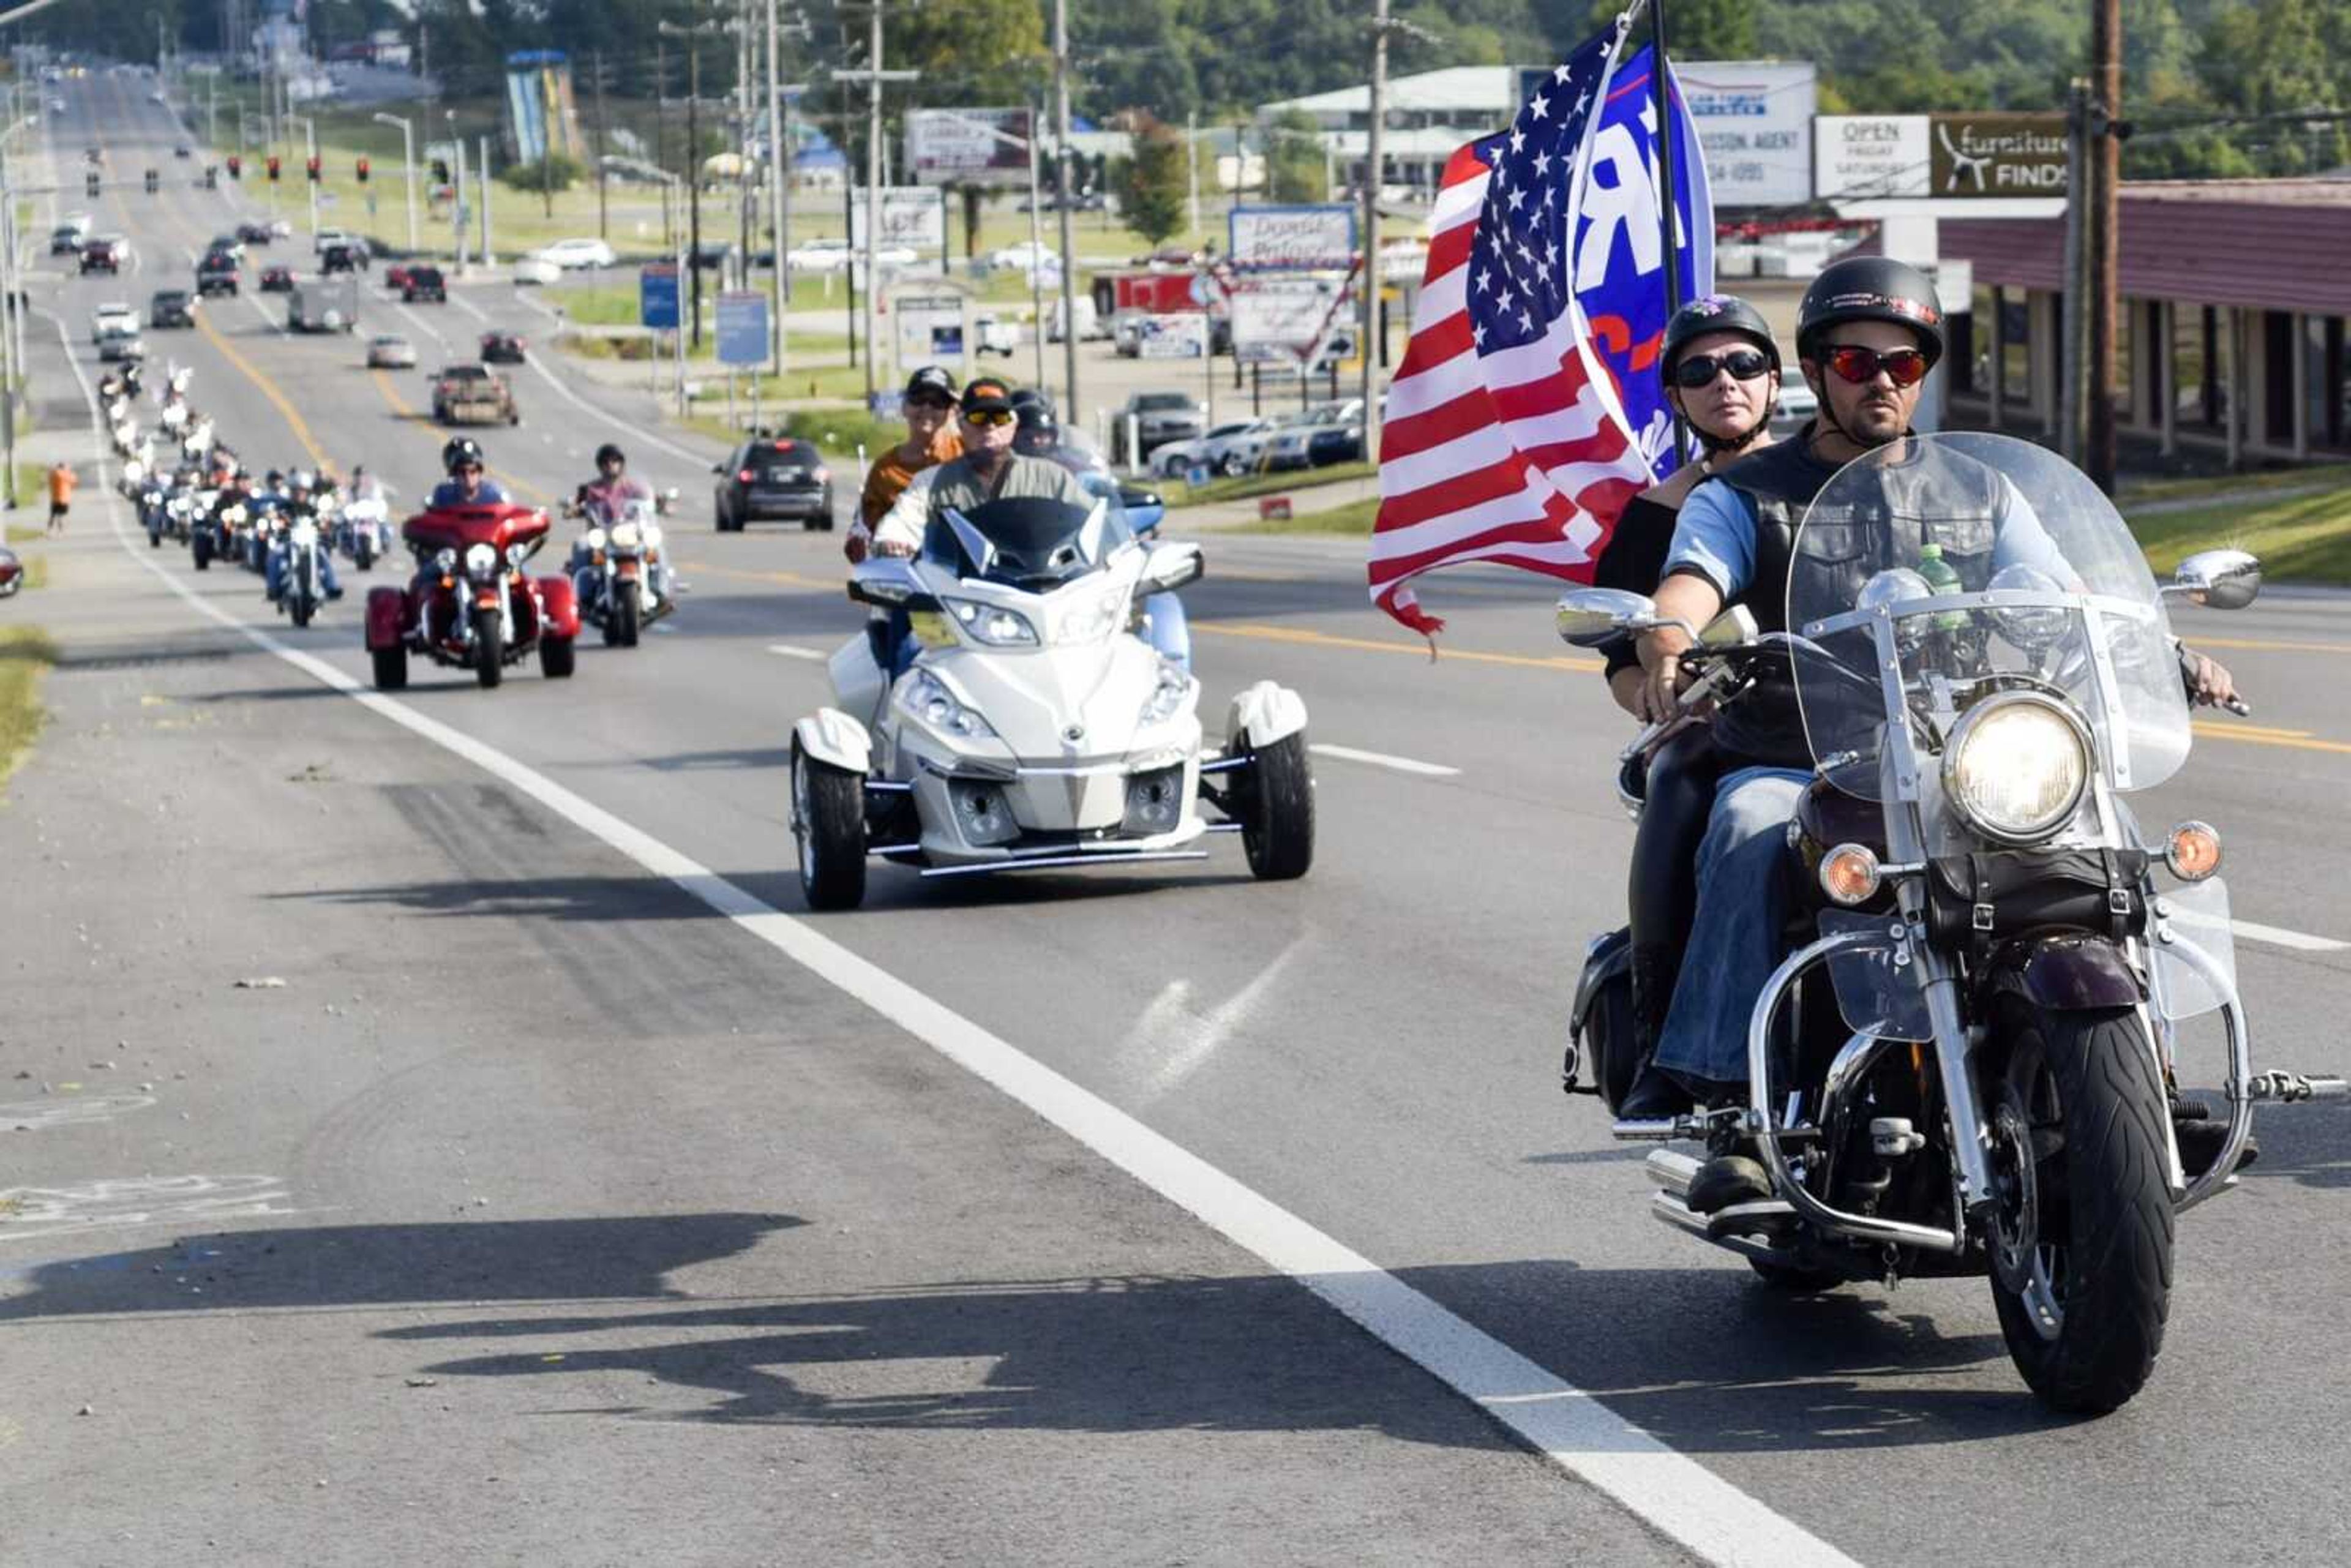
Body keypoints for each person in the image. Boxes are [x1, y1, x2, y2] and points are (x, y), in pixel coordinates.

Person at [1621, 257, 2243, 1207]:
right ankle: (1734, 1112)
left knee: (2102, 835)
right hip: (1803, 753)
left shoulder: (1981, 488)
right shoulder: (1747, 496)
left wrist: (2159, 644)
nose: (1879, 381)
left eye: (1902, 365)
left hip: (1964, 753)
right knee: (1747, 828)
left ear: (1924, 372)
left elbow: (2058, 587)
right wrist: (1672, 628)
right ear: (1817, 369)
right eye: (1855, 360)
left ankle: (2143, 1080)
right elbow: (1694, 576)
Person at [1592, 295, 1782, 1120]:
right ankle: (1665, 1037)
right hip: (1728, 723)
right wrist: (1663, 698)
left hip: (1854, 704)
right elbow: (1622, 658)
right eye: (1698, 372)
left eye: (1744, 365)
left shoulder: (1832, 478)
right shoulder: (1660, 513)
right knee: (1680, 776)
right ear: (1675, 396)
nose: (1724, 384)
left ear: (1777, 380)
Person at [863, 377, 1093, 676]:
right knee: (910, 654)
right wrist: (893, 541)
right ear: (962, 426)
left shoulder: (1052, 478)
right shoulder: (932, 482)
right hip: (957, 613)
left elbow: (1095, 524)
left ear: (1013, 426)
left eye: (999, 417)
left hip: (1044, 604)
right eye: (979, 417)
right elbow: (902, 521)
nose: (989, 427)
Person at [847, 366, 962, 564]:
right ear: (904, 407)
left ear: (952, 411)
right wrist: (859, 541)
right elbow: (863, 530)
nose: (927, 408)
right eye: (919, 399)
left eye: (938, 402)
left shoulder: (967, 454)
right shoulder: (886, 469)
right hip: (907, 573)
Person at [568, 441, 673, 612]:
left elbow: (651, 500)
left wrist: (662, 505)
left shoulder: (635, 487)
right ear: (600, 466)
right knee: (581, 545)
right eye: (606, 462)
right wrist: (574, 509)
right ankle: (584, 595)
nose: (611, 465)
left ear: (622, 464)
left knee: (657, 548)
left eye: (615, 461)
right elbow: (577, 504)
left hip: (632, 534)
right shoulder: (591, 489)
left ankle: (660, 590)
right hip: (603, 535)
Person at [264, 469, 342, 609]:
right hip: (289, 542)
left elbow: (324, 519)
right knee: (274, 555)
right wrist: (274, 519)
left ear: (308, 492)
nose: (299, 493)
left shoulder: (313, 507)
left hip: (310, 542)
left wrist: (326, 523)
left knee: (323, 554)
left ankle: (331, 586)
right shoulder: (283, 506)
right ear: (291, 492)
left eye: (302, 491)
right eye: (295, 490)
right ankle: (273, 589)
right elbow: (273, 517)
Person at [44, 462, 77, 536]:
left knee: (52, 515)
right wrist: (69, 471)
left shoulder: (54, 474)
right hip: (65, 499)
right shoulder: (68, 475)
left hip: (55, 498)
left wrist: (52, 470)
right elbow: (74, 482)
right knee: (61, 516)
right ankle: (61, 531)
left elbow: (49, 479)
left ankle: (49, 531)